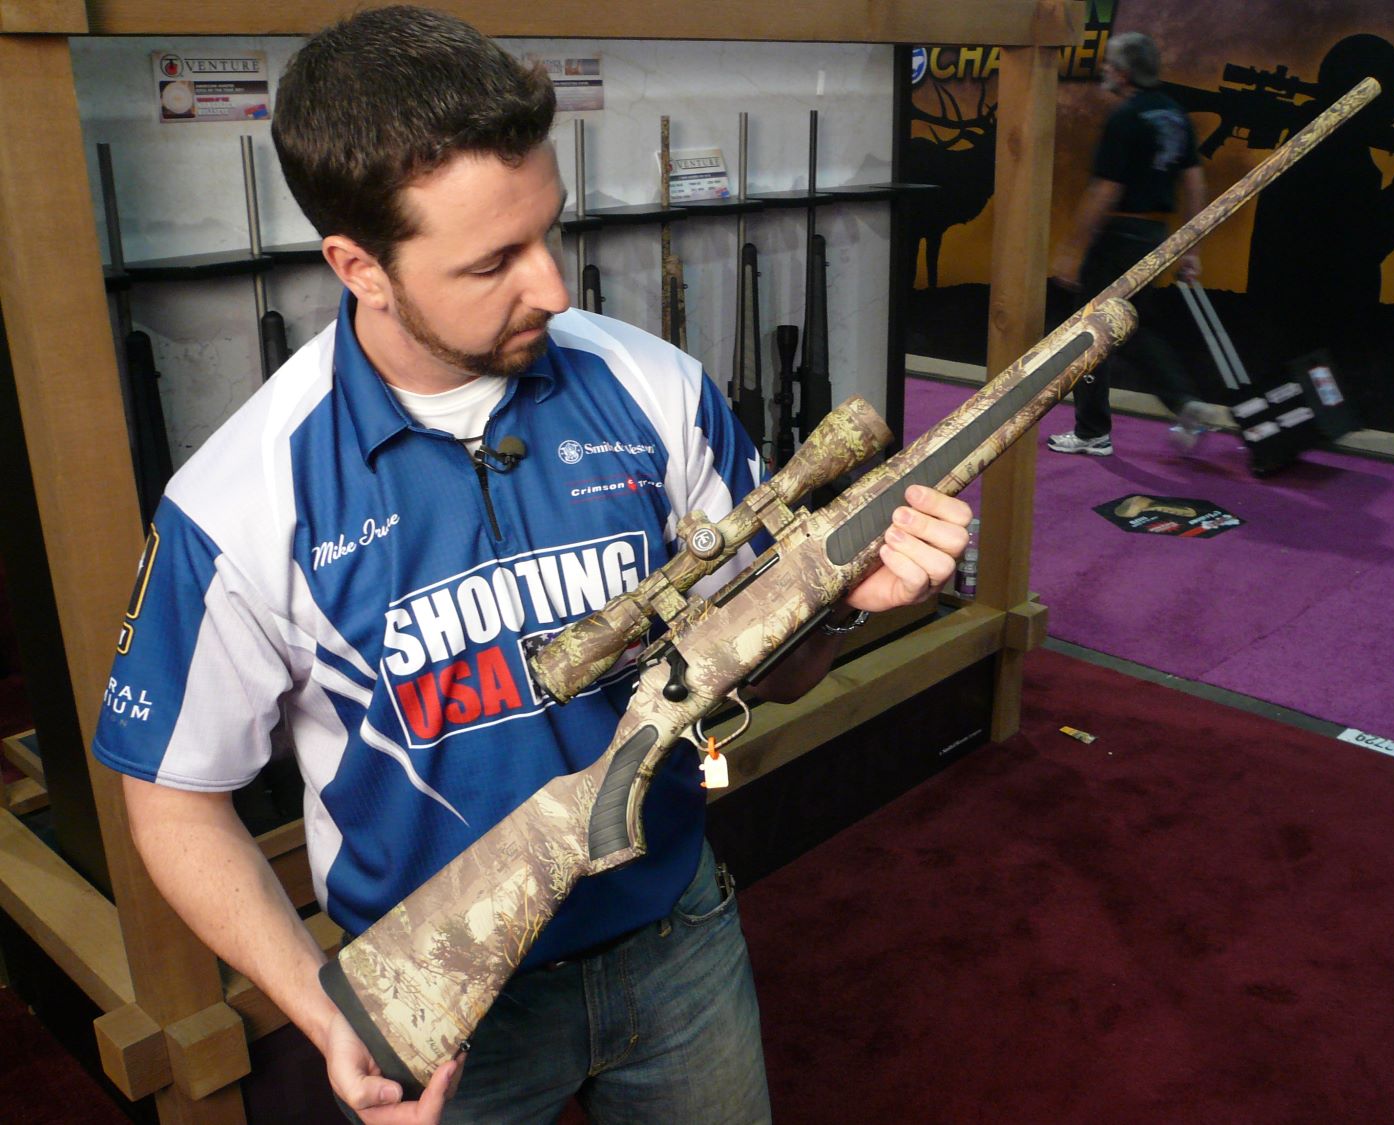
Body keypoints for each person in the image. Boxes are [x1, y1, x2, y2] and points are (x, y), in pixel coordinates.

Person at [89, 8, 972, 1124]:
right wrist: (327, 1012)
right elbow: (174, 801)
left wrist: (842, 607)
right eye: (492, 262)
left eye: (546, 231)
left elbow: (773, 672)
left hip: (679, 936)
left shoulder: (653, 386)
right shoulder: (240, 496)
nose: (553, 288)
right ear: (359, 266)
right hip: (440, 1007)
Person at [1048, 30, 1215, 456]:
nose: (1103, 69)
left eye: (1109, 63)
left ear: (1122, 73)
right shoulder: (1175, 115)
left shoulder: (1125, 119)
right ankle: (1184, 401)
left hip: (1118, 237)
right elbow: (1194, 184)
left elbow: (1105, 190)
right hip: (1153, 238)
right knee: (1133, 328)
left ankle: (1092, 432)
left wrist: (1072, 251)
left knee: (1091, 331)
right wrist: (1191, 247)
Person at [1246, 34, 1394, 353]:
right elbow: (1366, 244)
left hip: (1295, 335)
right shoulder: (1333, 154)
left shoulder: (1318, 143)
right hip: (1310, 338)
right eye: (1390, 89)